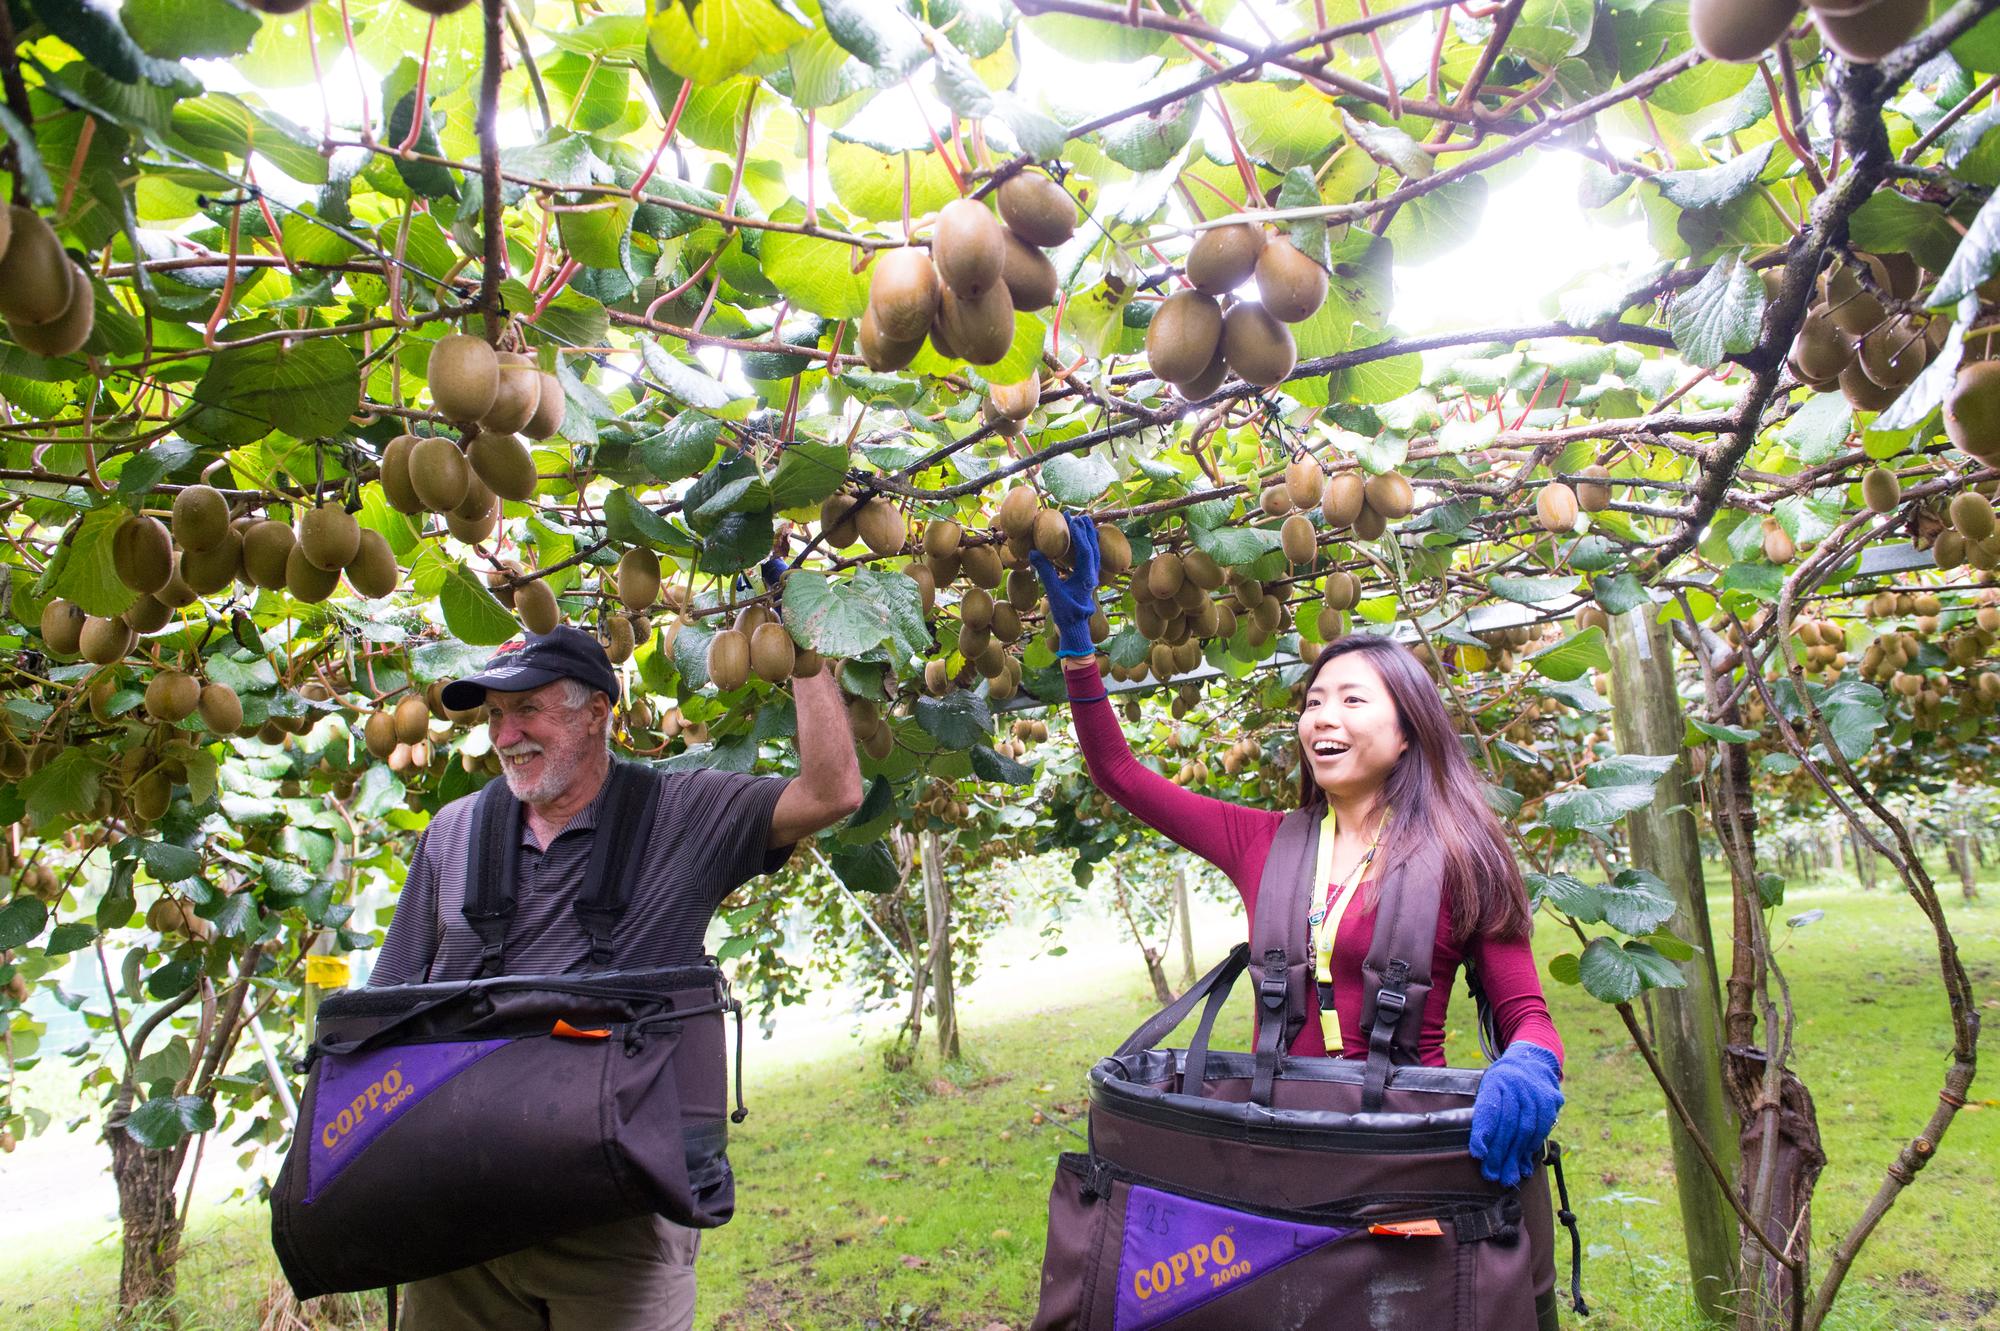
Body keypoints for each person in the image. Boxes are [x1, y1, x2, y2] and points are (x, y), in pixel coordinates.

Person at [1030, 516, 1564, 1188]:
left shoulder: (1463, 853)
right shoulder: (1265, 841)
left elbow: (1527, 1017)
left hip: (1401, 1153)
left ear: (1407, 731)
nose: (1322, 717)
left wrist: (1530, 1066)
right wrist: (1078, 647)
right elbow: (1120, 772)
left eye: (1351, 699)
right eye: (1313, 702)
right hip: (1275, 1149)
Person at [369, 624, 862, 1331]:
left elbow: (833, 790)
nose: (507, 735)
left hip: (616, 1223)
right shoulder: (451, 833)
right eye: (495, 716)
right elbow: (387, 1009)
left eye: (528, 709)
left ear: (597, 711)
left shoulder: (682, 814)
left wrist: (805, 643)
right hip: (462, 1225)